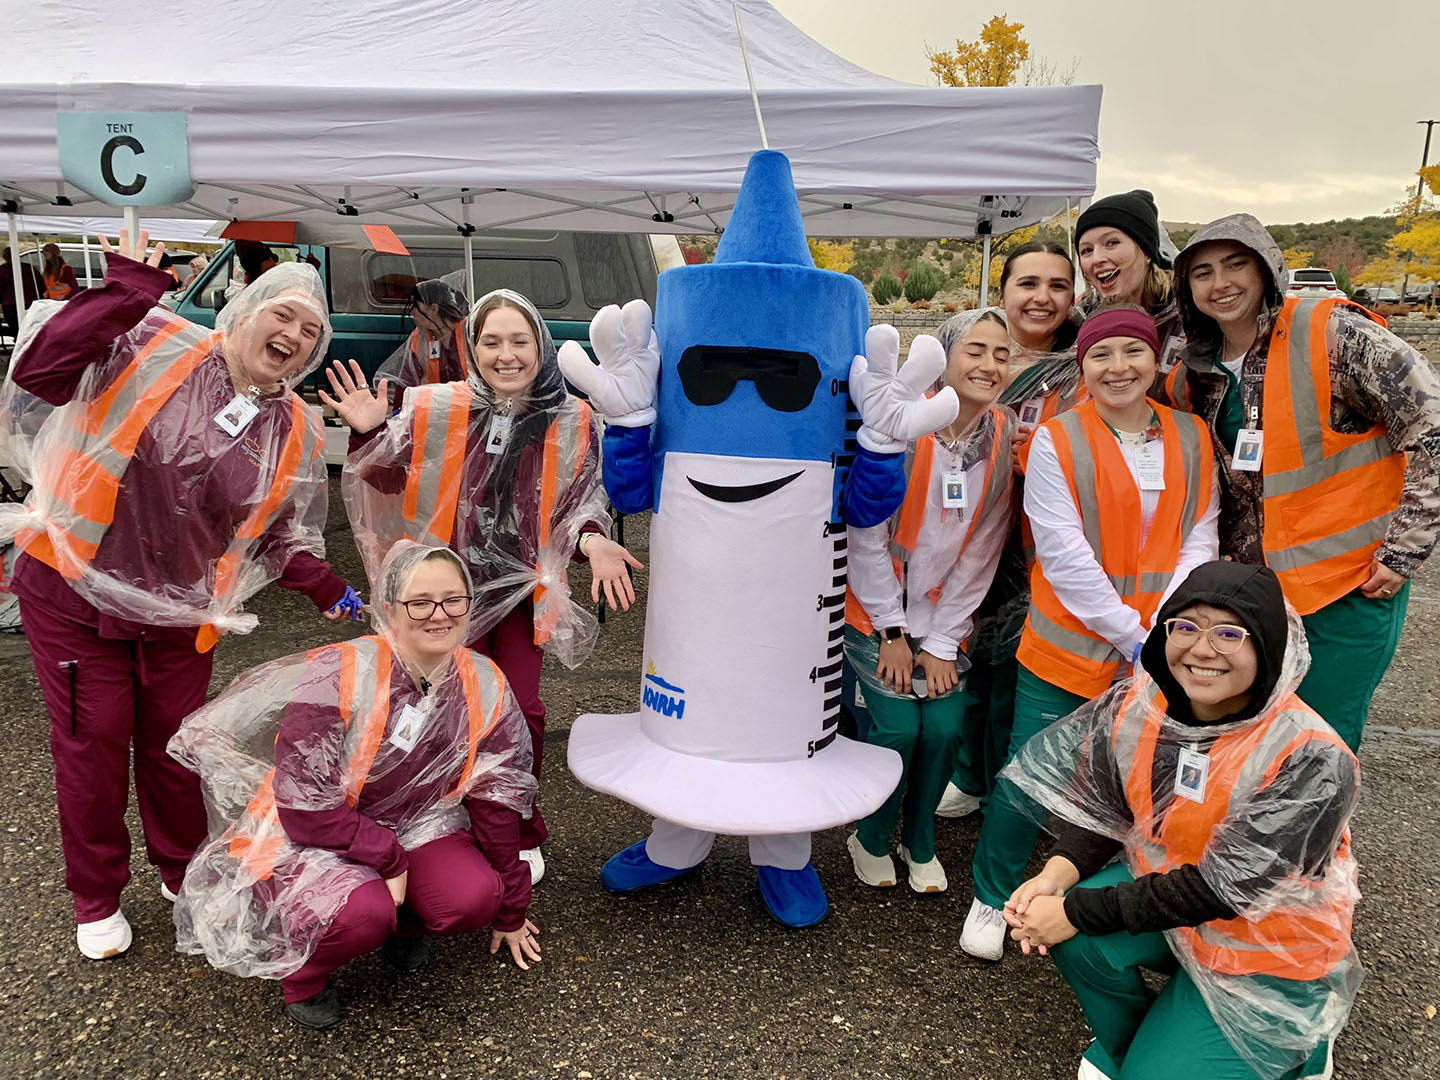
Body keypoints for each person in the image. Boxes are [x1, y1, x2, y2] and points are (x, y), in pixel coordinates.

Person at [0, 228, 362, 961]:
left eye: (311, 330)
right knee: (93, 746)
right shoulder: (153, 342)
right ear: (245, 310)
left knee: (172, 749)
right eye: (282, 314)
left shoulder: (290, 424)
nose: (293, 334)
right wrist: (129, 288)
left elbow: (279, 533)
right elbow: (43, 370)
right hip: (76, 592)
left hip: (178, 618)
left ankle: (177, 869)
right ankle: (96, 895)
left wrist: (338, 596)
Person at [322, 287, 641, 884]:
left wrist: (594, 542)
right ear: (472, 346)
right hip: (443, 595)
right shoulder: (434, 406)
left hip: (520, 596)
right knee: (441, 710)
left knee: (519, 712)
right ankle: (444, 821)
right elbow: (386, 480)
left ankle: (517, 823)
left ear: (539, 346)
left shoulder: (573, 418)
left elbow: (578, 505)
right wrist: (368, 432)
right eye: (491, 341)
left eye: (519, 340)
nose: (506, 355)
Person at [1000, 560, 1360, 1080]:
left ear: (1268, 647)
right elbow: (1106, 810)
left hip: (1267, 952)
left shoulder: (1311, 758)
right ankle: (1151, 1045)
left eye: (1230, 634)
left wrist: (1076, 910)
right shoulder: (1142, 709)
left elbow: (1221, 890)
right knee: (1074, 935)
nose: (1201, 649)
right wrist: (1054, 876)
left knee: (1076, 921)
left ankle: (1302, 1046)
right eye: (1185, 626)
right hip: (1180, 909)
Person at [171, 542, 540, 1029]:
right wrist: (388, 856)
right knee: (361, 914)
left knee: (474, 896)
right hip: (311, 834)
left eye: (455, 600)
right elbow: (304, 807)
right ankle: (305, 974)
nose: (440, 615)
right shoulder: (340, 672)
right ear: (388, 609)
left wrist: (512, 906)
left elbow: (498, 795)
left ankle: (405, 922)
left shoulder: (482, 680)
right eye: (420, 602)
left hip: (418, 827)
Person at [959, 304, 1219, 963]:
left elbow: (1199, 537)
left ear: (1157, 360)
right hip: (1071, 642)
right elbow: (1064, 551)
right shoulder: (1057, 439)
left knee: (1131, 782)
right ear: (1083, 366)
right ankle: (992, 895)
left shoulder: (1190, 435)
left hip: (1163, 646)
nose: (1118, 367)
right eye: (1102, 355)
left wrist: (1164, 633)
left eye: (1133, 352)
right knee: (1029, 778)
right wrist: (1135, 637)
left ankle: (1097, 898)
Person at [1158, 212, 1440, 752]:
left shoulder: (1333, 333)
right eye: (1202, 272)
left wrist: (1405, 549)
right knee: (1252, 737)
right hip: (1255, 594)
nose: (1221, 284)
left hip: (1348, 585)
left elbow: (1431, 423)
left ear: (1267, 268)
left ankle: (1321, 837)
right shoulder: (1195, 373)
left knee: (1321, 741)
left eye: (1236, 265)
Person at [844, 307, 1018, 893]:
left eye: (1001, 353)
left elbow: (982, 552)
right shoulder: (905, 421)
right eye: (976, 350)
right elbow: (866, 536)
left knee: (942, 728)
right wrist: (893, 632)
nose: (990, 365)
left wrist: (943, 642)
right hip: (873, 613)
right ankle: (869, 835)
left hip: (942, 620)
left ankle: (919, 837)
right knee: (898, 728)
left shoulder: (1001, 438)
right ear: (945, 356)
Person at [936, 242, 1084, 822]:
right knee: (966, 650)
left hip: (1046, 541)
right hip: (968, 531)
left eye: (1057, 285)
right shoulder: (972, 354)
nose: (1042, 298)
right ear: (1003, 292)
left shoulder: (1087, 365)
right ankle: (968, 773)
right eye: (1028, 284)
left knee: (1025, 671)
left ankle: (1019, 786)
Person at [1076, 191, 1184, 367]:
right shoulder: (1079, 319)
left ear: (1145, 250)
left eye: (1111, 243)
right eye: (1087, 250)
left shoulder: (1190, 314)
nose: (1096, 259)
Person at [375, 276, 471, 408]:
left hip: (472, 407)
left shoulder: (470, 333)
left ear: (433, 309)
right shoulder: (419, 339)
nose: (412, 312)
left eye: (416, 306)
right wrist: (399, 412)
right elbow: (406, 382)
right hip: (437, 410)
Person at [1, 245, 43, 339]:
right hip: (30, 302)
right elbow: (40, 284)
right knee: (29, 329)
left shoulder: (2, 270)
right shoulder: (29, 268)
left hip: (10, 304)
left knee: (15, 329)